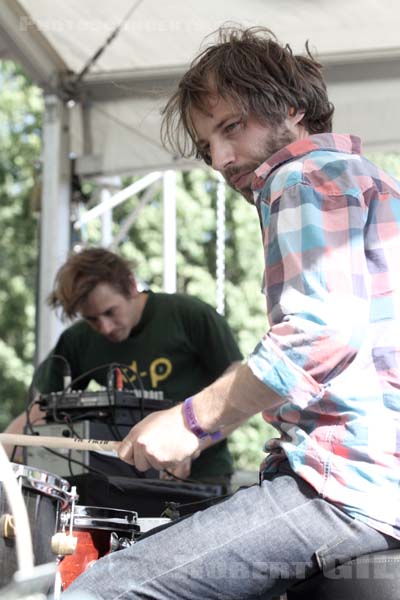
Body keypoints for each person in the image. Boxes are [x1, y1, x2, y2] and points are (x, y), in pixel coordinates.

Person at [65, 26, 400, 599]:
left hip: (346, 490)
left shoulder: (301, 176)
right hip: (373, 482)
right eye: (206, 146)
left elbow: (318, 334)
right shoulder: (367, 180)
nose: (219, 159)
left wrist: (191, 423)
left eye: (231, 128)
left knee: (102, 589)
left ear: (292, 109)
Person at [5, 247, 242, 491]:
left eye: (110, 312)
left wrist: (194, 445)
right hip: (119, 485)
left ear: (130, 285)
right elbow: (38, 411)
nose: (105, 327)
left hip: (200, 479)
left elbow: (238, 395)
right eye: (92, 319)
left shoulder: (190, 315)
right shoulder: (76, 340)